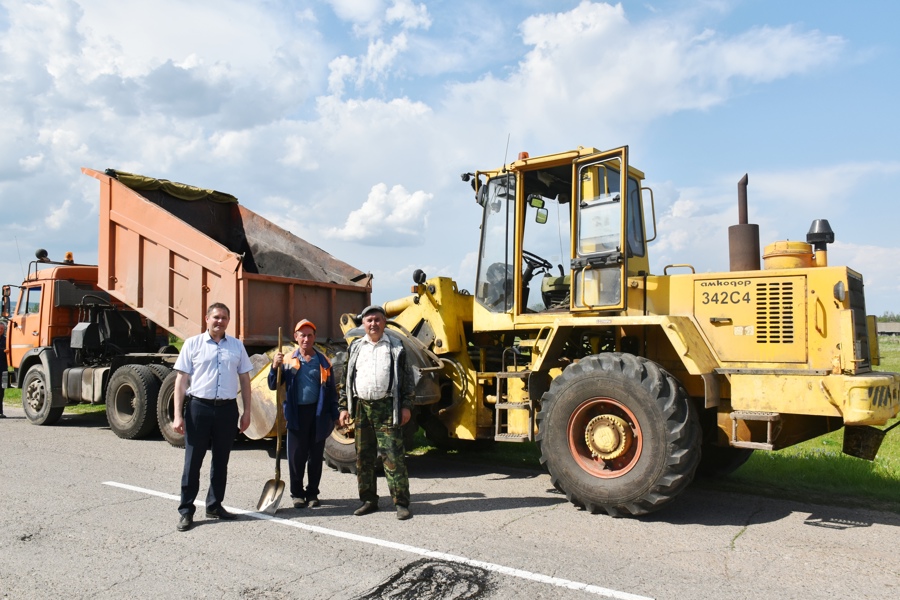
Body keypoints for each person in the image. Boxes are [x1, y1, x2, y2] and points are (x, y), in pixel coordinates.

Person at [172, 303, 252, 532]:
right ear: (206, 318)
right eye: (216, 317)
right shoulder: (193, 344)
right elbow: (181, 381)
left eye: (224, 318)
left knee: (221, 460)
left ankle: (215, 505)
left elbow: (245, 381)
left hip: (227, 410)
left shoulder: (237, 347)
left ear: (229, 321)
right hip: (199, 408)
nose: (220, 321)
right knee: (193, 462)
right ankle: (186, 510)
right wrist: (178, 415)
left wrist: (247, 412)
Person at [338, 304, 415, 520]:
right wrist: (344, 407)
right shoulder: (355, 348)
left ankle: (401, 503)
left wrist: (406, 406)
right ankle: (369, 500)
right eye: (369, 320)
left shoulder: (395, 347)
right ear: (363, 323)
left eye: (377, 320)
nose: (373, 324)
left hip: (387, 408)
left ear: (384, 323)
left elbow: (408, 380)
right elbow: (346, 379)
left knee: (393, 457)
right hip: (362, 408)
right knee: (364, 457)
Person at [268, 319, 340, 509]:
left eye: (309, 335)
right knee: (296, 457)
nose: (306, 339)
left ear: (314, 338)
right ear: (296, 337)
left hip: (318, 414)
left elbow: (332, 391)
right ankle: (297, 494)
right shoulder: (288, 360)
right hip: (296, 414)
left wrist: (335, 415)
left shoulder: (324, 362)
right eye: (302, 335)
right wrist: (274, 367)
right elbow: (272, 384)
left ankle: (313, 493)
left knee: (315, 457)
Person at [0, 321, 7, 418]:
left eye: (2, 329)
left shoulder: (6, 340)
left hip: (2, 369)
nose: (1, 331)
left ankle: (0, 411)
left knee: (1, 391)